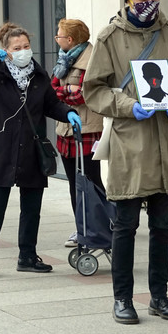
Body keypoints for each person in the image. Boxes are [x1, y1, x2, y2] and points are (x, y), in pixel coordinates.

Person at [83, 0, 168, 324]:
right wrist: (126, 106)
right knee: (125, 225)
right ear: (128, 0)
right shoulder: (109, 38)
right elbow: (94, 90)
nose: (148, 5)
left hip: (167, 143)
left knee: (163, 225)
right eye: (141, 0)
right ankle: (122, 298)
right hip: (130, 144)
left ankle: (159, 296)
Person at [0, 22, 80, 277]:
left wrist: (69, 113)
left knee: (32, 207)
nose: (23, 51)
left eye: (26, 46)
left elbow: (51, 104)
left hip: (31, 149)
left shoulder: (38, 76)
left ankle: (27, 255)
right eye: (16, 48)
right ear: (6, 51)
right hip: (0, 149)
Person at [51, 18, 104, 247]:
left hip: (87, 130)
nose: (56, 39)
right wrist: (66, 90)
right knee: (74, 183)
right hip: (66, 130)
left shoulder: (91, 60)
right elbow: (51, 90)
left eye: (59, 35)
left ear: (70, 39)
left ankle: (100, 226)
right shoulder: (65, 60)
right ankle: (81, 227)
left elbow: (85, 95)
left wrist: (65, 92)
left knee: (91, 181)